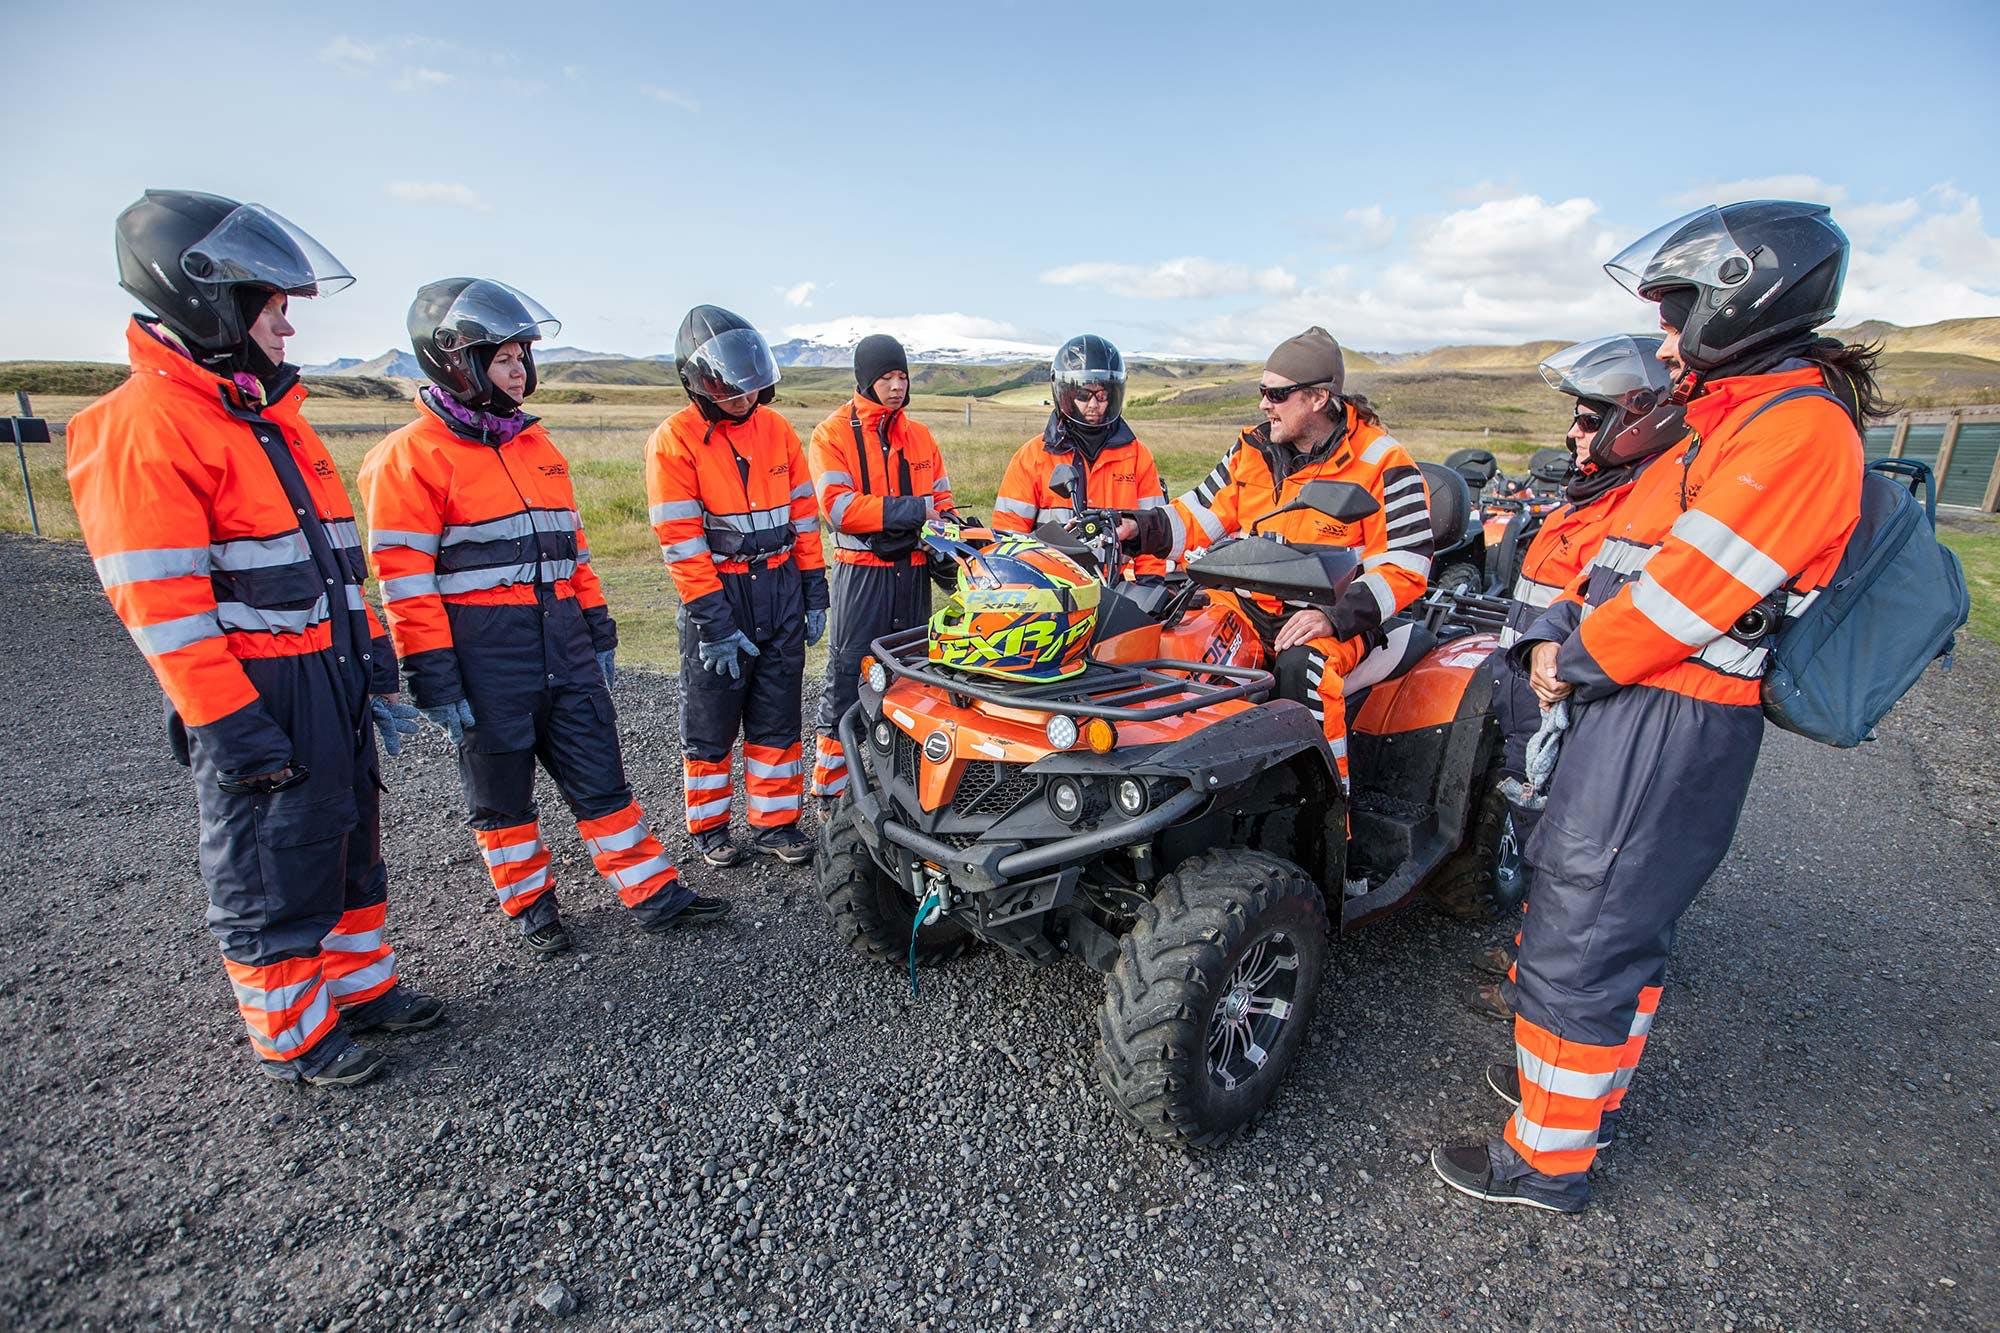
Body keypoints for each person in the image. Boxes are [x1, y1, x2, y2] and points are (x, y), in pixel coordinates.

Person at [1433, 200, 1876, 1212]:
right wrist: (1563, 634)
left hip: (1665, 710)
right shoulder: (1738, 422)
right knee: (1602, 922)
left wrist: (1568, 657)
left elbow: (1677, 598)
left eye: (1674, 313)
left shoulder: (1794, 432)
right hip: (1638, 702)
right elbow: (1623, 555)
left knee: (1585, 934)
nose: (1665, 337)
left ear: (1741, 301)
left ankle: (1542, 1159)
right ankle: (1578, 1098)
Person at [67, 190, 441, 1088]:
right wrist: (229, 723)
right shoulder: (140, 428)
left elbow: (338, 565)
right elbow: (163, 609)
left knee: (346, 837)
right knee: (271, 858)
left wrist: (373, 664)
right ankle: (292, 1035)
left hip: (329, 674)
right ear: (210, 297)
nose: (286, 325)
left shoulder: (269, 417)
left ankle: (359, 990)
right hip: (258, 687)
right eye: (272, 305)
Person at [358, 280, 728, 955]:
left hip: (562, 636)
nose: (520, 372)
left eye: (523, 358)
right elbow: (404, 583)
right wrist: (433, 673)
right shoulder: (407, 460)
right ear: (454, 362)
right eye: (503, 359)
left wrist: (599, 627)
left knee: (600, 769)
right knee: (501, 789)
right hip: (483, 649)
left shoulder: (538, 447)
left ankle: (651, 891)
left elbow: (575, 553)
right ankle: (531, 904)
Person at [1470, 335, 1684, 1012]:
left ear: (1637, 419)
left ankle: (1552, 995)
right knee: (1545, 854)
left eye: (1590, 420)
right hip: (1536, 711)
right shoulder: (1586, 500)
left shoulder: (1643, 508)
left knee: (1581, 871)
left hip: (1586, 717)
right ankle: (1533, 963)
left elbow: (1630, 613)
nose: (1573, 433)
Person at [1126, 327, 1432, 792]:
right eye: (1262, 391)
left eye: (1277, 394)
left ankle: (1328, 815)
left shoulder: (1384, 461)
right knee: (1175, 651)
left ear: (1317, 398)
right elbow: (1195, 516)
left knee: (1302, 669)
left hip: (1338, 620)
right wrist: (1134, 529)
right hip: (1245, 610)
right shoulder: (1251, 450)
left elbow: (1406, 564)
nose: (1265, 404)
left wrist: (1333, 616)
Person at [647, 306, 828, 866]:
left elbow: (804, 517)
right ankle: (709, 826)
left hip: (780, 587)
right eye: (730, 389)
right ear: (699, 383)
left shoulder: (776, 430)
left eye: (750, 387)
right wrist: (714, 623)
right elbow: (681, 542)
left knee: (777, 710)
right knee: (711, 717)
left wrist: (814, 590)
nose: (743, 399)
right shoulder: (673, 441)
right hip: (718, 595)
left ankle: (776, 822)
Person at [807, 334, 963, 803]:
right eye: (886, 378)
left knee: (914, 680)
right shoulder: (830, 434)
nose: (896, 387)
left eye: (902, 377)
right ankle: (831, 792)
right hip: (862, 575)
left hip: (914, 573)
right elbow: (839, 508)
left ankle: (898, 787)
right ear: (865, 380)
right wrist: (914, 512)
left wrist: (948, 536)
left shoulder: (921, 436)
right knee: (849, 678)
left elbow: (944, 504)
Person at [992, 335, 1169, 577]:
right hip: (1051, 586)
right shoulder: (1032, 457)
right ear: (1065, 394)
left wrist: (1151, 583)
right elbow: (1008, 535)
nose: (1094, 404)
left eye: (1102, 395)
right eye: (1084, 395)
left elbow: (1154, 530)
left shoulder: (1137, 456)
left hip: (1119, 587)